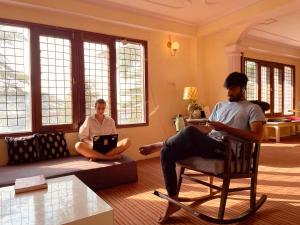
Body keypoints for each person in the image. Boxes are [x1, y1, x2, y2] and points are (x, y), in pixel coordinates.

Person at [139, 72, 265, 224]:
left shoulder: (253, 108)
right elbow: (209, 130)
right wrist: (196, 128)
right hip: (209, 143)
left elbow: (258, 137)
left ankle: (157, 145)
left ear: (243, 88)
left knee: (187, 133)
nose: (229, 92)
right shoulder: (220, 105)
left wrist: (225, 128)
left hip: (228, 149)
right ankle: (173, 199)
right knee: (168, 151)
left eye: (232, 89)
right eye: (228, 89)